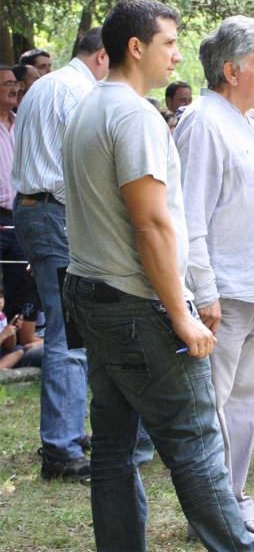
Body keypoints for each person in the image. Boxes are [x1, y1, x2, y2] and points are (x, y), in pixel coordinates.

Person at [61, 1, 254, 552]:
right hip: (132, 302)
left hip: (92, 292)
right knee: (197, 447)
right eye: (170, 43)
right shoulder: (133, 115)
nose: (178, 55)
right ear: (136, 47)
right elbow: (150, 224)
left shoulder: (88, 104)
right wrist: (182, 313)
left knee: (114, 446)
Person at [174, 15, 254, 541]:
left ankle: (234, 502)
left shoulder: (242, 120)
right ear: (230, 70)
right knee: (213, 404)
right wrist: (204, 291)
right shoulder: (202, 121)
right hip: (224, 291)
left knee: (246, 398)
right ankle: (213, 512)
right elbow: (189, 219)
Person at [11, 27, 108, 481]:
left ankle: (68, 431)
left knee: (72, 329)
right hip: (56, 212)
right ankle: (61, 448)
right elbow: (82, 172)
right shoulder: (76, 92)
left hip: (40, 210)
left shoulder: (48, 86)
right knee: (68, 335)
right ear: (105, 55)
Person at [0, 64, 29, 317]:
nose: (14, 89)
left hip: (19, 214)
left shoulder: (22, 124)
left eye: (15, 84)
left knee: (20, 281)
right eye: (7, 84)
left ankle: (15, 341)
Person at [0, 290, 24, 371]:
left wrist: (12, 331)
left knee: (19, 350)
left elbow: (9, 346)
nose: (0, 301)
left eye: (1, 297)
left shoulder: (2, 316)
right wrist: (3, 335)